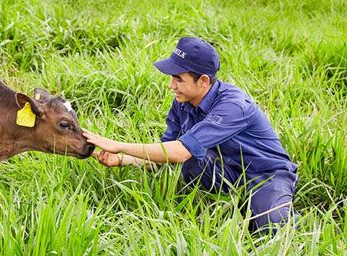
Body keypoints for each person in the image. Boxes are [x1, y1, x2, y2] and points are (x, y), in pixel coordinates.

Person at [82, 37, 298, 232]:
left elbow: (178, 152)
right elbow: (165, 155)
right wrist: (119, 160)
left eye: (178, 79)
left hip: (265, 173)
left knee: (271, 229)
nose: (171, 85)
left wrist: (117, 145)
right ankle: (223, 205)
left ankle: (287, 214)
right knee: (192, 160)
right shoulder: (182, 102)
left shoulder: (233, 105)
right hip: (227, 170)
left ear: (203, 81)